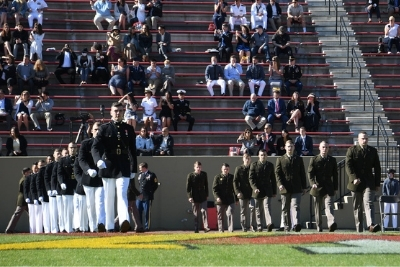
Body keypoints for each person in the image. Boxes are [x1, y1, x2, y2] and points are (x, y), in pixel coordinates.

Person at [91, 102, 137, 233]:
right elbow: (95, 147)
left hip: (123, 164)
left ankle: (124, 221)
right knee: (109, 197)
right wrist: (98, 160)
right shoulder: (104, 128)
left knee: (122, 194)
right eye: (115, 111)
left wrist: (134, 169)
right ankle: (109, 225)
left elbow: (132, 150)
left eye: (120, 111)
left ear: (123, 112)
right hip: (108, 164)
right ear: (111, 112)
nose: (118, 113)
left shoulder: (128, 129)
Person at [346, 131, 382, 233]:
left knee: (369, 202)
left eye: (366, 138)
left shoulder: (373, 151)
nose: (364, 140)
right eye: (362, 138)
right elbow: (348, 166)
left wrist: (377, 183)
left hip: (369, 182)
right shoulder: (351, 150)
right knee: (357, 206)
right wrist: (354, 178)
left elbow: (377, 168)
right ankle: (359, 229)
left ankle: (371, 225)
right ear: (358, 139)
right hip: (355, 183)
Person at [77, 122, 106, 233]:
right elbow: (81, 159)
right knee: (90, 204)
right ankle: (93, 227)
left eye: (99, 129)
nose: (97, 131)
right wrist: (88, 170)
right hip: (88, 179)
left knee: (100, 202)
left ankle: (101, 224)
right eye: (95, 129)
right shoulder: (85, 143)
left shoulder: (105, 144)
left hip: (101, 177)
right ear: (91, 131)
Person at [275, 140, 307, 232]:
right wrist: (280, 184)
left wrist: (304, 187)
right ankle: (286, 226)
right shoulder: (280, 159)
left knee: (295, 206)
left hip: (296, 187)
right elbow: (278, 173)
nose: (290, 148)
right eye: (288, 146)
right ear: (285, 147)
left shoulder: (299, 159)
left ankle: (296, 224)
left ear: (294, 147)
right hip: (285, 187)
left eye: (291, 146)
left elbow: (302, 174)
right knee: (285, 208)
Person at [308, 141, 338, 232]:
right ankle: (319, 226)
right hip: (317, 187)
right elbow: (310, 173)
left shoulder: (332, 160)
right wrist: (312, 183)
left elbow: (335, 175)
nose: (325, 149)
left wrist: (335, 187)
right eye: (323, 147)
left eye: (326, 147)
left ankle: (331, 223)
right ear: (319, 148)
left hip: (328, 187)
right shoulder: (314, 159)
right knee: (318, 209)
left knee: (329, 206)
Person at [249, 148, 277, 232]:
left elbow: (273, 179)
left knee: (267, 206)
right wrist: (254, 188)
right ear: (258, 156)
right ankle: (259, 226)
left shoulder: (270, 165)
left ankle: (269, 223)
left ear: (267, 156)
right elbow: (251, 178)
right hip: (257, 191)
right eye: (261, 155)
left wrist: (274, 191)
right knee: (258, 209)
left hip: (267, 190)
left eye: (264, 155)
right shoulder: (254, 165)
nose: (263, 156)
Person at [57, 142, 78, 233]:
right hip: (67, 186)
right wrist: (62, 182)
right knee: (68, 209)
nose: (73, 149)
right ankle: (68, 227)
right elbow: (60, 173)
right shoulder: (63, 160)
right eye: (71, 147)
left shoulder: (79, 159)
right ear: (68, 149)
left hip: (77, 185)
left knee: (78, 208)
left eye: (74, 147)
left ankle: (77, 226)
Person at [5, 167, 31, 233]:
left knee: (31, 214)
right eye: (29, 172)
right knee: (17, 214)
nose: (30, 173)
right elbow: (25, 190)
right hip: (23, 200)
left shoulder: (24, 179)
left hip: (24, 200)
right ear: (25, 173)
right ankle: (9, 229)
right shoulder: (24, 180)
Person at [187, 161, 210, 233]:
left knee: (204, 211)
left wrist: (206, 195)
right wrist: (190, 196)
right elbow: (188, 188)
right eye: (197, 167)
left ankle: (206, 227)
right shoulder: (191, 175)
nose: (198, 169)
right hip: (194, 196)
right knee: (196, 213)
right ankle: (196, 228)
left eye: (200, 167)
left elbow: (206, 185)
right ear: (194, 168)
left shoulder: (204, 174)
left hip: (202, 196)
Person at [135, 162, 158, 231]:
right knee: (138, 211)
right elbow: (140, 185)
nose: (139, 169)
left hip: (147, 197)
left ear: (144, 168)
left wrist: (150, 192)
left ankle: (147, 227)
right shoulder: (140, 175)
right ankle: (140, 226)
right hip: (140, 196)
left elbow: (155, 185)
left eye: (140, 168)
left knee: (147, 212)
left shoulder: (151, 175)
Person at [233, 153, 253, 232]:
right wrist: (237, 192)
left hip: (252, 192)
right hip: (242, 193)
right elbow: (235, 181)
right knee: (243, 211)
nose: (247, 160)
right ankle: (244, 227)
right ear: (243, 159)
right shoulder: (239, 168)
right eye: (246, 158)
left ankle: (252, 226)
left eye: (248, 158)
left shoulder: (252, 168)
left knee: (253, 209)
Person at [213, 163, 236, 232]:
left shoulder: (232, 177)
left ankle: (230, 230)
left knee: (230, 213)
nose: (225, 171)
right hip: (220, 200)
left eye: (227, 169)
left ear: (229, 169)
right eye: (224, 169)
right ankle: (221, 230)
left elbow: (235, 189)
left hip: (230, 199)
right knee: (220, 216)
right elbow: (215, 189)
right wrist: (217, 197)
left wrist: (237, 199)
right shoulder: (217, 177)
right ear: (221, 169)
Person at [44, 149, 60, 233]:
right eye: (57, 153)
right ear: (54, 155)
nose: (59, 155)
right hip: (53, 192)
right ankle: (54, 229)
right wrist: (49, 189)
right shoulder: (50, 166)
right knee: (53, 212)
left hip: (60, 191)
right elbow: (46, 179)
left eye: (60, 153)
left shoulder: (62, 163)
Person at [24, 162, 37, 233]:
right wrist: (26, 197)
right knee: (32, 216)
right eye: (34, 168)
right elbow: (25, 188)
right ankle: (32, 231)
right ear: (32, 169)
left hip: (37, 199)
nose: (36, 169)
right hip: (30, 199)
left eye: (37, 168)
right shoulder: (29, 177)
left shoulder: (39, 176)